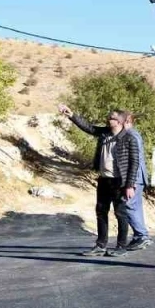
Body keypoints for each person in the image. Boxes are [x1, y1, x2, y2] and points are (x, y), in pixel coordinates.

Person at [59, 105, 127, 256]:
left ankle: (121, 247)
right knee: (101, 212)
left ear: (120, 121)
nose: (108, 119)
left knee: (120, 213)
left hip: (119, 182)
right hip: (103, 180)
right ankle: (100, 245)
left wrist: (130, 185)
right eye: (108, 117)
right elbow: (89, 128)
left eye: (111, 118)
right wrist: (72, 115)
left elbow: (134, 162)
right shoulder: (104, 133)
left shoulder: (127, 137)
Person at [110, 111, 152, 256]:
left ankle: (141, 236)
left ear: (126, 122)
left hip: (135, 178)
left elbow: (134, 160)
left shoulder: (131, 135)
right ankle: (140, 236)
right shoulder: (133, 134)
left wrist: (130, 183)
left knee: (128, 205)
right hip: (137, 178)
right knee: (134, 206)